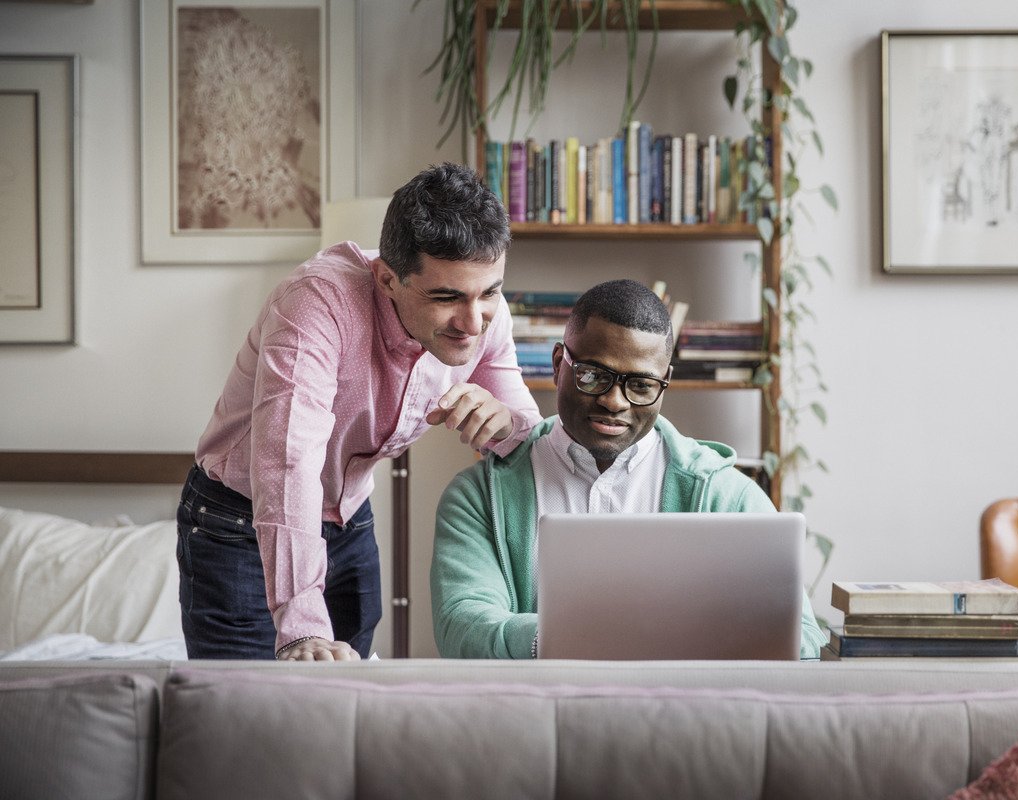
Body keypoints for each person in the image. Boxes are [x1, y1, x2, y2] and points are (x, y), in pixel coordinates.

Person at [178, 162, 541, 661]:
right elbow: (289, 462)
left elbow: (526, 426)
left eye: (490, 292)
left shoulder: (480, 315)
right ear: (387, 278)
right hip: (238, 520)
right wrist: (303, 630)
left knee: (348, 708)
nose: (472, 321)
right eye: (446, 297)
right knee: (245, 717)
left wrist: (506, 423)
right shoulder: (315, 304)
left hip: (349, 519)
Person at [431, 279, 825, 659]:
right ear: (558, 364)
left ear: (665, 382)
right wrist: (594, 636)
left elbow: (803, 641)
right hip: (538, 720)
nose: (615, 402)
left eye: (640, 385)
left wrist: (594, 635)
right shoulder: (478, 498)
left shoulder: (726, 495)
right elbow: (463, 627)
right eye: (593, 375)